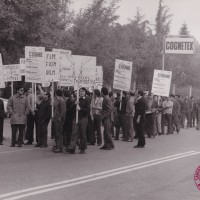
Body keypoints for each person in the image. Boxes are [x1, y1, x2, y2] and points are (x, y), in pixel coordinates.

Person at [66, 87, 90, 154]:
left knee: (83, 134)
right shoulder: (76, 99)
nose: (81, 92)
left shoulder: (87, 100)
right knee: (74, 133)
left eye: (82, 91)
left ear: (85, 92)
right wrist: (74, 104)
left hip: (83, 118)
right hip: (75, 118)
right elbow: (70, 109)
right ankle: (72, 148)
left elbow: (88, 110)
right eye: (80, 91)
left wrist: (80, 109)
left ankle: (82, 148)